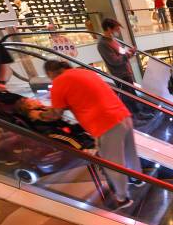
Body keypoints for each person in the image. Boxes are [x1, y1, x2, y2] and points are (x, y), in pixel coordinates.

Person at [42, 60, 142, 210]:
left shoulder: (58, 83)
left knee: (113, 164)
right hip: (122, 114)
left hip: (105, 124)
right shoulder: (85, 72)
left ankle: (123, 198)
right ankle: (137, 179)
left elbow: (56, 114)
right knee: (130, 153)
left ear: (50, 73)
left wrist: (40, 115)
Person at [96, 18, 151, 119]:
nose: (118, 31)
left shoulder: (113, 40)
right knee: (129, 96)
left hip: (126, 72)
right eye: (116, 29)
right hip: (120, 75)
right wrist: (129, 54)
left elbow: (121, 53)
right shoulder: (103, 44)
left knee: (132, 93)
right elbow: (114, 61)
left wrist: (129, 52)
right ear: (109, 28)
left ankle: (139, 113)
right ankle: (136, 116)